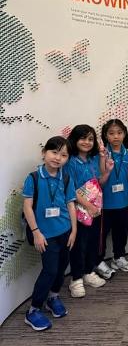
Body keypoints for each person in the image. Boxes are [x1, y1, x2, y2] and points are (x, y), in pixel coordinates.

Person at [22, 136, 77, 331]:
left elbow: (70, 205)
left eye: (63, 155)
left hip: (65, 231)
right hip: (46, 235)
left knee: (62, 267)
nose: (58, 158)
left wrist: (74, 230)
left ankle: (53, 298)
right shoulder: (33, 178)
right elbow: (27, 207)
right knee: (50, 270)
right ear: (44, 152)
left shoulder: (66, 178)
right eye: (54, 152)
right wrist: (36, 232)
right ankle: (33, 310)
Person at [67, 124, 113, 297]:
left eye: (90, 139)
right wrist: (88, 205)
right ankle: (76, 279)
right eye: (83, 138)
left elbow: (99, 183)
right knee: (78, 245)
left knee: (93, 241)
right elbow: (70, 190)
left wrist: (107, 171)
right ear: (74, 140)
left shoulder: (93, 159)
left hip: (95, 210)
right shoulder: (69, 161)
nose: (87, 142)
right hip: (78, 210)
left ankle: (88, 272)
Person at [95, 119, 128, 279]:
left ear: (124, 134)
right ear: (106, 135)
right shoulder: (101, 154)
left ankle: (118, 257)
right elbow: (99, 176)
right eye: (111, 133)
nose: (116, 136)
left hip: (123, 203)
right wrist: (102, 157)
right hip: (104, 204)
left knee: (121, 233)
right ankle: (98, 261)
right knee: (101, 236)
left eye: (119, 133)